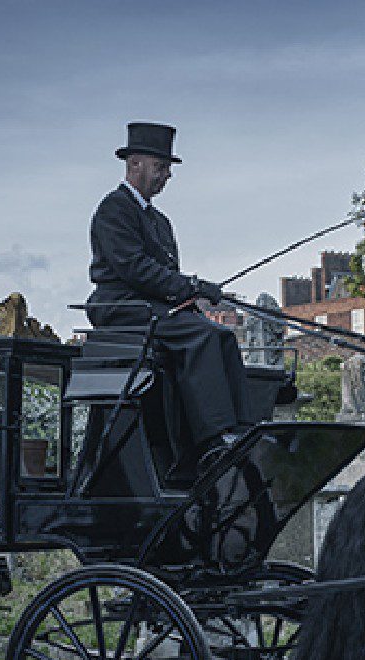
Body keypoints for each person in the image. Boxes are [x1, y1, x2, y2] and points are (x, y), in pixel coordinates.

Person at [87, 121, 249, 467]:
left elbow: (166, 276)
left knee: (222, 336)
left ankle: (242, 426)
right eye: (161, 168)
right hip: (121, 308)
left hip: (155, 308)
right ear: (134, 165)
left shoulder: (160, 221)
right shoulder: (113, 209)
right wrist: (190, 287)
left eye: (167, 170)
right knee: (201, 335)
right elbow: (134, 268)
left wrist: (188, 297)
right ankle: (213, 436)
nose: (166, 177)